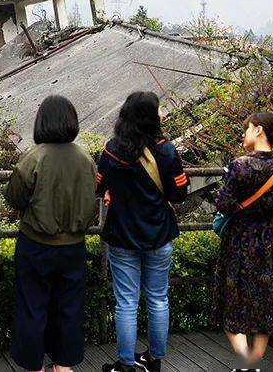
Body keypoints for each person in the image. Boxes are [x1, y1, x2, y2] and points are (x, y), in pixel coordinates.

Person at [96, 92, 189, 372]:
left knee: (126, 301)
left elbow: (99, 187)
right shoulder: (166, 151)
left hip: (123, 235)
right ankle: (154, 358)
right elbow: (179, 193)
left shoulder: (111, 150)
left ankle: (125, 363)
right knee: (158, 297)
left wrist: (114, 190)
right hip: (159, 234)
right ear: (150, 116)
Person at [4, 95, 98, 372]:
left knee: (32, 305)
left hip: (36, 243)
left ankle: (35, 366)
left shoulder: (34, 157)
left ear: (41, 122)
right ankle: (63, 365)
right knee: (70, 307)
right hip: (74, 245)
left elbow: (15, 197)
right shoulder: (85, 159)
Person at [212, 111, 273, 368]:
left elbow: (224, 203)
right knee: (266, 302)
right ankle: (255, 361)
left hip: (240, 240)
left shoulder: (239, 166)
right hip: (271, 240)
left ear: (259, 130)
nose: (243, 134)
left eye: (247, 129)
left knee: (231, 301)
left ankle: (246, 361)